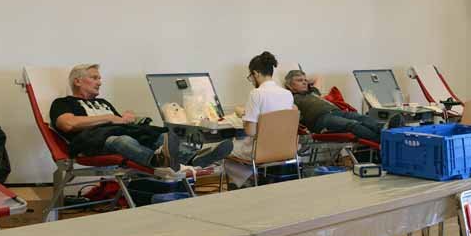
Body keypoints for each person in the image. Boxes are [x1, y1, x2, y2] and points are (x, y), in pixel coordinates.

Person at [50, 64, 231, 174]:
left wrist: (127, 118)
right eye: (94, 78)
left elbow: (117, 123)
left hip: (115, 134)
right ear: (78, 81)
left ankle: (192, 158)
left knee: (160, 135)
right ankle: (159, 162)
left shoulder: (103, 103)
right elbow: (67, 124)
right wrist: (111, 118)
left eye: (100, 78)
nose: (100, 82)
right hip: (91, 144)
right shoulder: (62, 102)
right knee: (122, 140)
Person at [224, 52, 296, 187]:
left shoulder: (256, 94)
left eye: (250, 77)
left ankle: (249, 180)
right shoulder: (287, 94)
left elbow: (251, 131)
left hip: (260, 151)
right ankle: (252, 179)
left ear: (256, 73)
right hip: (285, 149)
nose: (251, 80)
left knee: (226, 150)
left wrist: (244, 117)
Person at [284, 70, 401, 142]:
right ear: (289, 85)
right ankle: (383, 140)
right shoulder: (290, 97)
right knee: (352, 124)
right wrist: (290, 87)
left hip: (336, 111)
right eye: (299, 80)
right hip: (321, 120)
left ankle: (384, 128)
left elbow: (318, 76)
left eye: (305, 80)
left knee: (361, 117)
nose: (304, 82)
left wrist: (304, 81)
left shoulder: (313, 92)